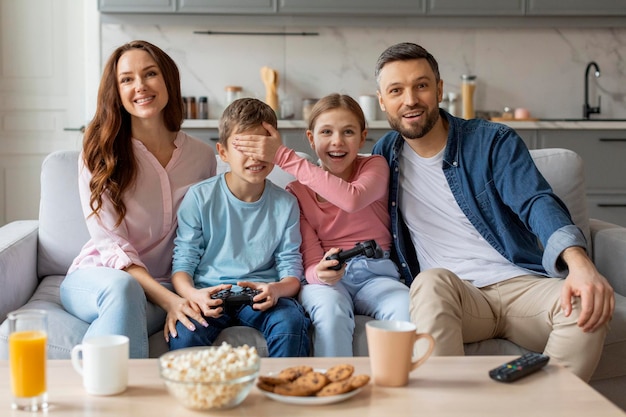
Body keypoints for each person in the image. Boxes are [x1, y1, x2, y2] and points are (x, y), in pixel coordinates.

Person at [372, 42, 615, 381]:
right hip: (457, 297)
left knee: (585, 307)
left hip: (521, 285)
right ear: (382, 101)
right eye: (396, 90)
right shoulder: (384, 156)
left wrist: (580, 265)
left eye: (421, 85)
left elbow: (536, 202)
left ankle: (545, 406)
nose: (410, 100)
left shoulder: (491, 141)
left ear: (439, 89)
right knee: (429, 283)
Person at [59, 40, 216, 358]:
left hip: (167, 285)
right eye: (127, 79)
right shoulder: (99, 154)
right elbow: (111, 245)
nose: (140, 86)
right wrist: (169, 301)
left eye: (150, 74)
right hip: (99, 278)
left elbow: (204, 234)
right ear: (115, 91)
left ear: (167, 80)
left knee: (142, 310)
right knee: (123, 288)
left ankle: (98, 375)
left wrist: (178, 295)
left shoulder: (202, 156)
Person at [234, 93, 409, 357]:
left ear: (363, 137)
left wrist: (283, 156)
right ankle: (335, 387)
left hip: (376, 275)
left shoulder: (375, 166)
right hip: (327, 283)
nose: (337, 141)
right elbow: (311, 262)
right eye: (326, 131)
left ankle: (399, 388)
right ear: (311, 139)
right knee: (330, 312)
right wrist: (321, 274)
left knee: (404, 306)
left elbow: (352, 198)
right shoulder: (296, 192)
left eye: (348, 132)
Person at [168, 97, 310, 357]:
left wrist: (276, 289)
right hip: (209, 294)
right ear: (223, 153)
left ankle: (283, 392)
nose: (255, 156)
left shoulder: (287, 204)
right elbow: (182, 266)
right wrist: (193, 295)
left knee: (291, 323)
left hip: (259, 295)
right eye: (244, 147)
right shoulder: (199, 197)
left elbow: (292, 271)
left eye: (263, 146)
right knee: (185, 333)